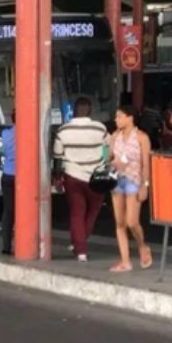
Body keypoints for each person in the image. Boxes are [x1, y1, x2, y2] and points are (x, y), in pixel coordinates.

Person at [53, 98, 109, 263]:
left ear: (74, 111)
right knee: (92, 213)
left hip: (73, 176)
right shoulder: (100, 128)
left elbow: (58, 157)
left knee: (77, 213)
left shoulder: (63, 130)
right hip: (96, 176)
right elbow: (109, 148)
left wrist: (57, 177)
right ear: (90, 110)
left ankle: (81, 251)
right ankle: (80, 242)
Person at [109, 104, 153, 272]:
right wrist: (111, 151)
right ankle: (125, 261)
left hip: (134, 179)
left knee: (132, 221)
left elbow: (146, 164)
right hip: (117, 179)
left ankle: (142, 246)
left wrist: (145, 185)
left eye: (120, 116)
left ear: (130, 117)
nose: (116, 119)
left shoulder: (142, 137)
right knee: (120, 222)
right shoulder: (115, 136)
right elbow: (109, 157)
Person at [0, 113, 16, 256]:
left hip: (7, 175)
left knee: (8, 211)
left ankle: (6, 246)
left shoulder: (5, 133)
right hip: (23, 177)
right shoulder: (30, 133)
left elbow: (3, 151)